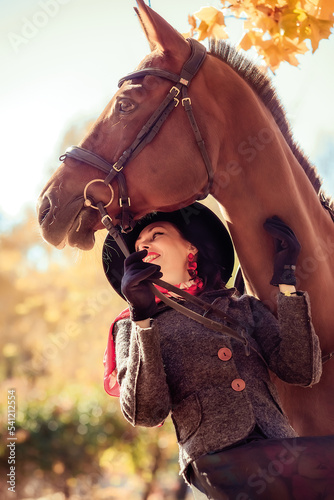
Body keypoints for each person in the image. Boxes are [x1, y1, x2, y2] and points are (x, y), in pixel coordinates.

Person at [102, 202, 324, 499]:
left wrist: (287, 284)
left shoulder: (241, 307)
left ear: (191, 248)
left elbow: (303, 371)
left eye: (156, 234)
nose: (144, 245)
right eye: (139, 245)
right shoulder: (129, 326)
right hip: (215, 457)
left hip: (280, 446)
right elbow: (145, 411)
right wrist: (141, 317)